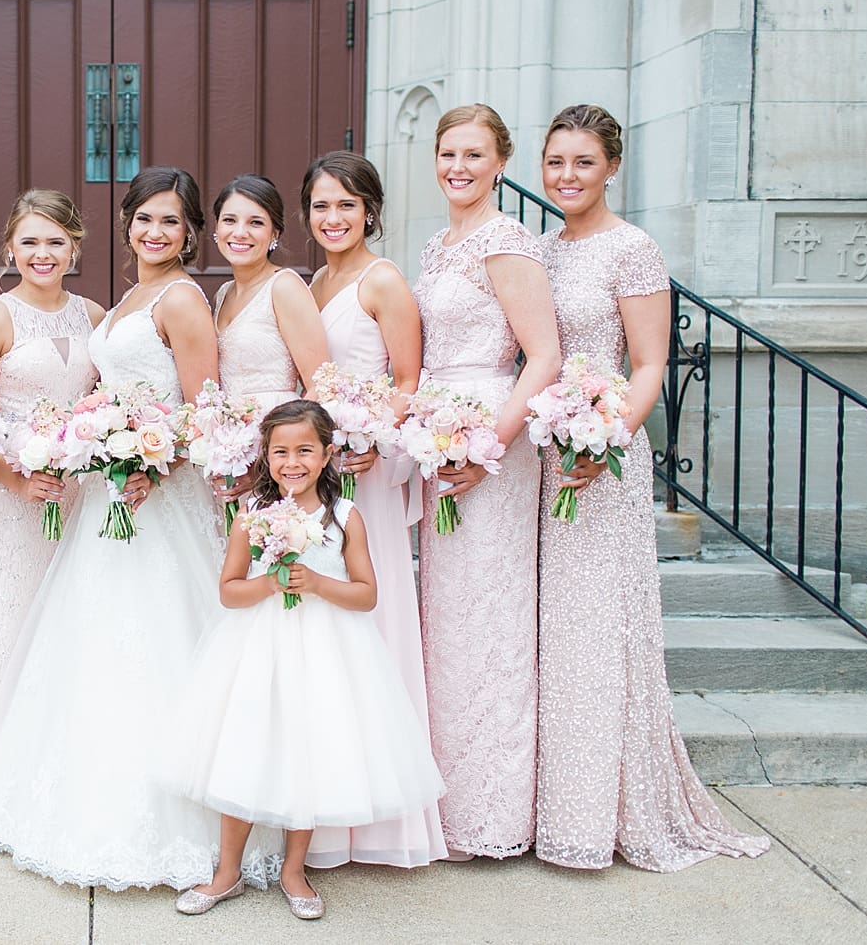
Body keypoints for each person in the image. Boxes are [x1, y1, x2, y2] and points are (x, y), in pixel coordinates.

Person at [0, 167, 276, 891]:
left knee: (162, 643)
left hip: (155, 495)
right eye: (145, 219)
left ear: (188, 232)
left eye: (171, 223)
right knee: (98, 649)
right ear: (125, 223)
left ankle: (182, 825)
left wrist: (155, 466)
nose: (155, 233)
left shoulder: (181, 299)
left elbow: (203, 406)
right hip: (110, 491)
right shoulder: (120, 303)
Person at [533, 104, 770, 871]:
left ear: (610, 168)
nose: (566, 177)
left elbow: (646, 364)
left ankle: (602, 814)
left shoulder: (631, 249)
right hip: (547, 458)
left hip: (602, 459)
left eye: (582, 163)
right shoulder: (540, 250)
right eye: (555, 162)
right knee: (553, 635)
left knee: (598, 635)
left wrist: (605, 440)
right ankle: (552, 804)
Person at [169, 401, 445, 921]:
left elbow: (366, 595)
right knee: (245, 747)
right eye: (280, 451)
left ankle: (294, 870)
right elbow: (229, 591)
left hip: (326, 653)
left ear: (327, 455)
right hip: (258, 648)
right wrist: (270, 582)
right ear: (266, 457)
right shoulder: (252, 513)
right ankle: (227, 872)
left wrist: (317, 582)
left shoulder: (344, 517)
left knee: (308, 751)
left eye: (304, 450)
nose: (291, 461)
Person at [412, 104, 561, 858]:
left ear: (499, 162)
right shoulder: (438, 246)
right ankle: (444, 797)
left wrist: (487, 447)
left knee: (489, 620)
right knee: (447, 621)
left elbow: (541, 357)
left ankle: (492, 813)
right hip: (437, 442)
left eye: (473, 154)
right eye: (447, 152)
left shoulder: (507, 242)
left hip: (489, 451)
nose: (458, 166)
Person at [302, 150, 446, 867]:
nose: (332, 218)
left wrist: (369, 442)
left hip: (360, 475)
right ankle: (324, 801)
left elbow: (408, 378)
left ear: (371, 212)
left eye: (346, 206)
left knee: (368, 623)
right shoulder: (318, 279)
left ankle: (379, 818)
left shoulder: (382, 280)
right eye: (321, 205)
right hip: (316, 476)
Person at [0, 189, 103, 820]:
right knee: (8, 624)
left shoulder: (95, 314)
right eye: (30, 242)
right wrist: (16, 480)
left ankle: (64, 772)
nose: (43, 254)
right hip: (14, 499)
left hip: (81, 498)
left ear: (75, 248)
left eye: (56, 242)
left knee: (68, 630)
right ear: (9, 248)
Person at [210, 173, 329, 413]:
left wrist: (284, 439)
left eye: (255, 223)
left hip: (276, 430)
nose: (240, 232)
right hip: (230, 437)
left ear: (274, 233)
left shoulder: (283, 287)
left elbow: (321, 384)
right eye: (229, 220)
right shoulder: (223, 294)